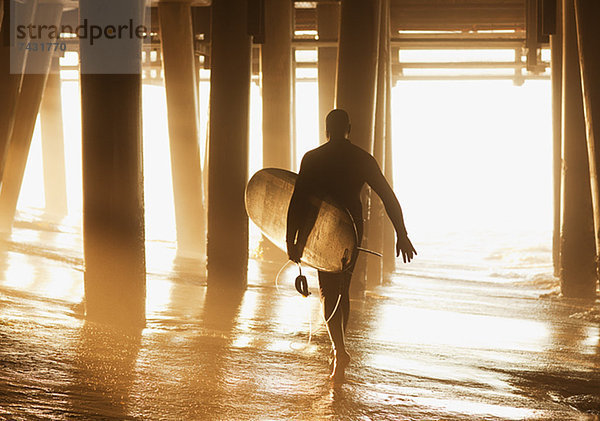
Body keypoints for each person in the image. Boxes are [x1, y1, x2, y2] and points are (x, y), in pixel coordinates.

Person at [286, 109, 416, 382]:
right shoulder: (362, 159)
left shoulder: (313, 158)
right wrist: (401, 234)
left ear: (326, 129)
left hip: (322, 229)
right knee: (342, 290)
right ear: (349, 128)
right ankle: (339, 347)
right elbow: (388, 197)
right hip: (353, 230)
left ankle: (339, 348)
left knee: (327, 291)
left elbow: (297, 201)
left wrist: (292, 239)